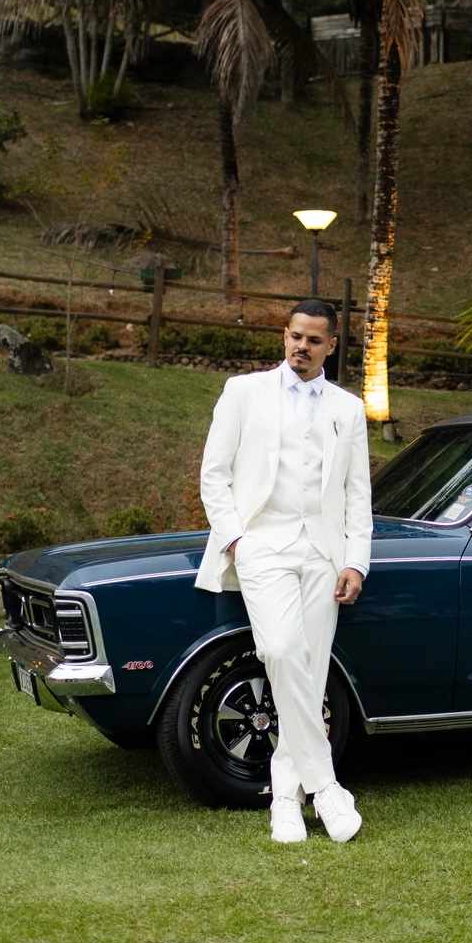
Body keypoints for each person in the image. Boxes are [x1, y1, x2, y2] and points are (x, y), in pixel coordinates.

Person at [196, 300, 372, 844]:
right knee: (280, 650)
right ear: (285, 335)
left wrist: (355, 560)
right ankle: (326, 787)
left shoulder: (348, 408)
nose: (302, 346)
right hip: (262, 546)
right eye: (296, 336)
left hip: (323, 551)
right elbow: (214, 474)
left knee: (311, 674)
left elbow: (357, 492)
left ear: (331, 346)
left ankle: (286, 801)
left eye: (314, 340)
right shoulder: (243, 392)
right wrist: (238, 540)